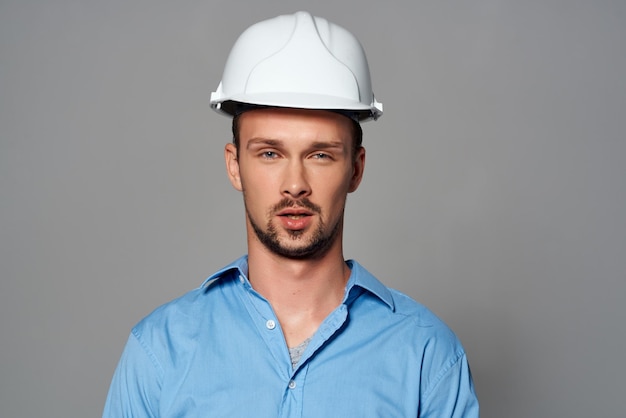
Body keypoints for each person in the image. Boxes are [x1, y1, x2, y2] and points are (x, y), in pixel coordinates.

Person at [103, 11, 479, 417]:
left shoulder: (427, 356)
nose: (295, 184)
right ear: (234, 166)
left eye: (320, 155)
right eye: (270, 153)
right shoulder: (161, 350)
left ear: (355, 168)